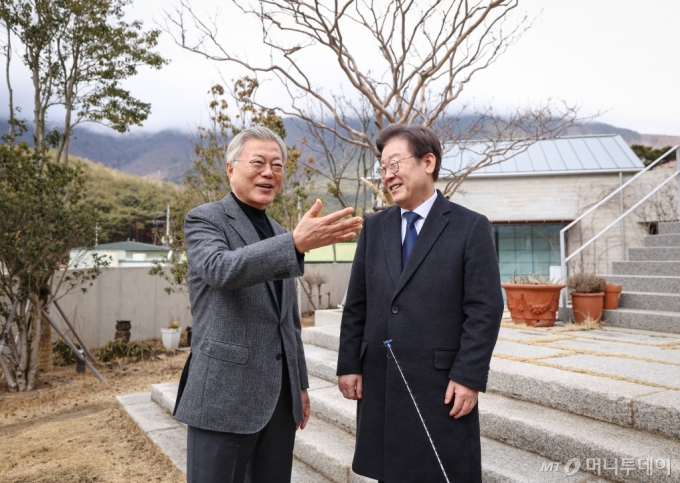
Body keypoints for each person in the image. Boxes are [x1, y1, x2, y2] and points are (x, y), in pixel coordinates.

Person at [174, 126, 363, 483]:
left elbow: (288, 322)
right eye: (258, 162)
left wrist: (300, 386)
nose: (268, 173)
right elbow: (220, 269)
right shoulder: (205, 219)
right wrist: (294, 244)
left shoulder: (279, 231)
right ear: (230, 169)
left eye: (277, 165)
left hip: (278, 401)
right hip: (223, 397)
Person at [336, 124, 504, 482]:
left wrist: (469, 375)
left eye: (395, 163)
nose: (388, 175)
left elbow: (485, 309)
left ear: (428, 162)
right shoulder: (375, 228)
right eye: (383, 168)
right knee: (389, 472)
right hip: (381, 381)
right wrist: (348, 362)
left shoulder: (470, 227)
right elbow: (357, 304)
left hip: (441, 384)